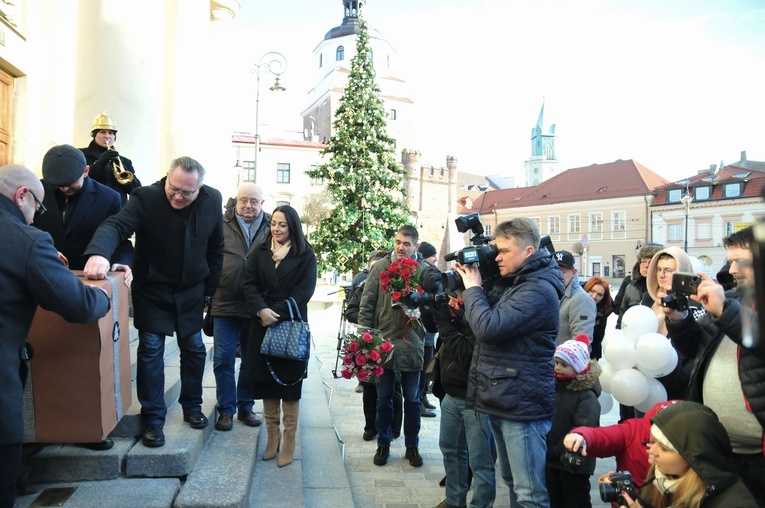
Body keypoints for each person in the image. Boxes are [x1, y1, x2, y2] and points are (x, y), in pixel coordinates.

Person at [83, 156, 224, 448]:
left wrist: (210, 291)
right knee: (150, 351)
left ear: (200, 188)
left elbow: (216, 247)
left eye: (187, 192)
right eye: (174, 188)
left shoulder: (212, 200)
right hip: (153, 288)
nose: (178, 196)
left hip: (191, 290)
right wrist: (99, 253)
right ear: (167, 178)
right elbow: (117, 226)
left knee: (195, 349)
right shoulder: (145, 197)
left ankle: (192, 406)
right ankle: (153, 419)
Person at [0, 164, 110, 507]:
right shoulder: (24, 239)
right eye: (38, 206)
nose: (36, 216)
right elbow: (76, 305)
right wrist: (105, 295)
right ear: (22, 196)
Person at [453, 217, 566, 507]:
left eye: (504, 251)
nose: (498, 257)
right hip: (506, 396)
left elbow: (488, 328)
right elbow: (480, 323)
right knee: (514, 484)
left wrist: (474, 288)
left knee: (529, 494)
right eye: (496, 250)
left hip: (522, 405)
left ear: (529, 251)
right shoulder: (514, 282)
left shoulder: (537, 289)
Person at [664, 226, 765, 504]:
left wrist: (723, 310)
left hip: (759, 454)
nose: (731, 270)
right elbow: (692, 349)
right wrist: (679, 319)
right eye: (730, 261)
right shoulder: (731, 300)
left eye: (741, 262)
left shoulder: (727, 305)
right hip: (718, 446)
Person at [242, 205, 317, 467]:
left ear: (292, 227)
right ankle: (272, 437)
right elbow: (248, 283)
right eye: (273, 223)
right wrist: (260, 309)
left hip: (290, 325)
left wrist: (276, 311)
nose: (276, 228)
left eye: (282, 224)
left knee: (289, 385)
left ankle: (289, 441)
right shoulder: (261, 250)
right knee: (265, 383)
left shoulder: (306, 254)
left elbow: (304, 291)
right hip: (261, 324)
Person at [359, 225, 435, 468]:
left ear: (415, 245)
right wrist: (364, 338)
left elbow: (434, 309)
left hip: (413, 343)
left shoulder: (424, 271)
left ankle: (412, 446)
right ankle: (384, 443)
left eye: (407, 243)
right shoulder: (380, 266)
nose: (401, 247)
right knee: (384, 400)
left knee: (413, 400)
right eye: (398, 242)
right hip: (383, 343)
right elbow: (367, 303)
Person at [210, 183, 270, 431]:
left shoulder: (271, 226)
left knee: (250, 358)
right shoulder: (220, 223)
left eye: (254, 201)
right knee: (223, 358)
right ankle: (226, 409)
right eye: (243, 200)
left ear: (262, 204)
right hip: (224, 300)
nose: (248, 205)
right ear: (235, 200)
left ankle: (245, 406)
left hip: (255, 304)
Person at [621, 401, 757, 508]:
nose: (651, 451)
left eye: (664, 448)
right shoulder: (662, 480)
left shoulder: (735, 503)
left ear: (693, 455)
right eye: (652, 442)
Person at [430, 290, 496, 508]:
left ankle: (481, 505)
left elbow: (466, 357)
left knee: (480, 461)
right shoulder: (457, 319)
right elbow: (432, 328)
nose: (453, 300)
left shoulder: (482, 320)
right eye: (452, 295)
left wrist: (448, 323)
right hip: (451, 396)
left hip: (477, 401)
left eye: (458, 296)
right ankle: (454, 501)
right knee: (450, 450)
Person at [33, 144, 133, 273]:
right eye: (58, 184)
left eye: (69, 183)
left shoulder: (108, 198)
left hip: (86, 276)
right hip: (41, 272)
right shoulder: (36, 190)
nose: (64, 189)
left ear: (86, 171)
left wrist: (122, 261)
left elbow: (119, 239)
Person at [344, 249, 403, 442]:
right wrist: (367, 326)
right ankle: (371, 427)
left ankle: (394, 428)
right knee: (370, 388)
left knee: (394, 389)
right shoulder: (363, 286)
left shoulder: (396, 284)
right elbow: (352, 311)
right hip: (372, 339)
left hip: (392, 341)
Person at [563, 400, 683, 487]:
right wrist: (582, 436)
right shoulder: (635, 429)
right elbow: (604, 436)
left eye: (664, 447)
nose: (652, 450)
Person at [546, 335, 601, 508]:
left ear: (577, 367)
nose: (558, 368)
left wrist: (555, 450)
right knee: (553, 500)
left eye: (564, 365)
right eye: (556, 363)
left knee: (575, 501)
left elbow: (583, 429)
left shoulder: (586, 396)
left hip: (573, 463)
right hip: (551, 459)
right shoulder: (554, 387)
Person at [79, 111, 141, 205]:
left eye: (111, 133)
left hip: (118, 212)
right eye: (102, 132)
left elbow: (136, 190)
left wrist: (124, 170)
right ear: (94, 135)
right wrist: (100, 163)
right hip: (92, 208)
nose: (107, 136)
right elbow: (80, 181)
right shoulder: (81, 155)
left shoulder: (125, 161)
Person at [613, 243, 664, 329]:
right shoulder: (630, 284)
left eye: (651, 262)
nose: (646, 265)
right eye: (643, 261)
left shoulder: (664, 287)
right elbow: (620, 312)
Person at [554, 250, 596, 345]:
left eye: (562, 272)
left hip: (562, 359)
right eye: (553, 271)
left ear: (574, 272)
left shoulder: (581, 300)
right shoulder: (552, 292)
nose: (557, 276)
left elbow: (581, 345)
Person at [417, 241, 439, 417]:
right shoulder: (421, 273)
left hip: (429, 332)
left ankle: (423, 397)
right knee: (422, 368)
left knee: (428, 366)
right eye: (433, 255)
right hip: (421, 331)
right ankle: (419, 401)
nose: (436, 258)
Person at [583, 276, 613, 359]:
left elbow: (598, 338)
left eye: (600, 295)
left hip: (592, 355)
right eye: (592, 291)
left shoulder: (603, 312)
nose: (594, 296)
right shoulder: (575, 304)